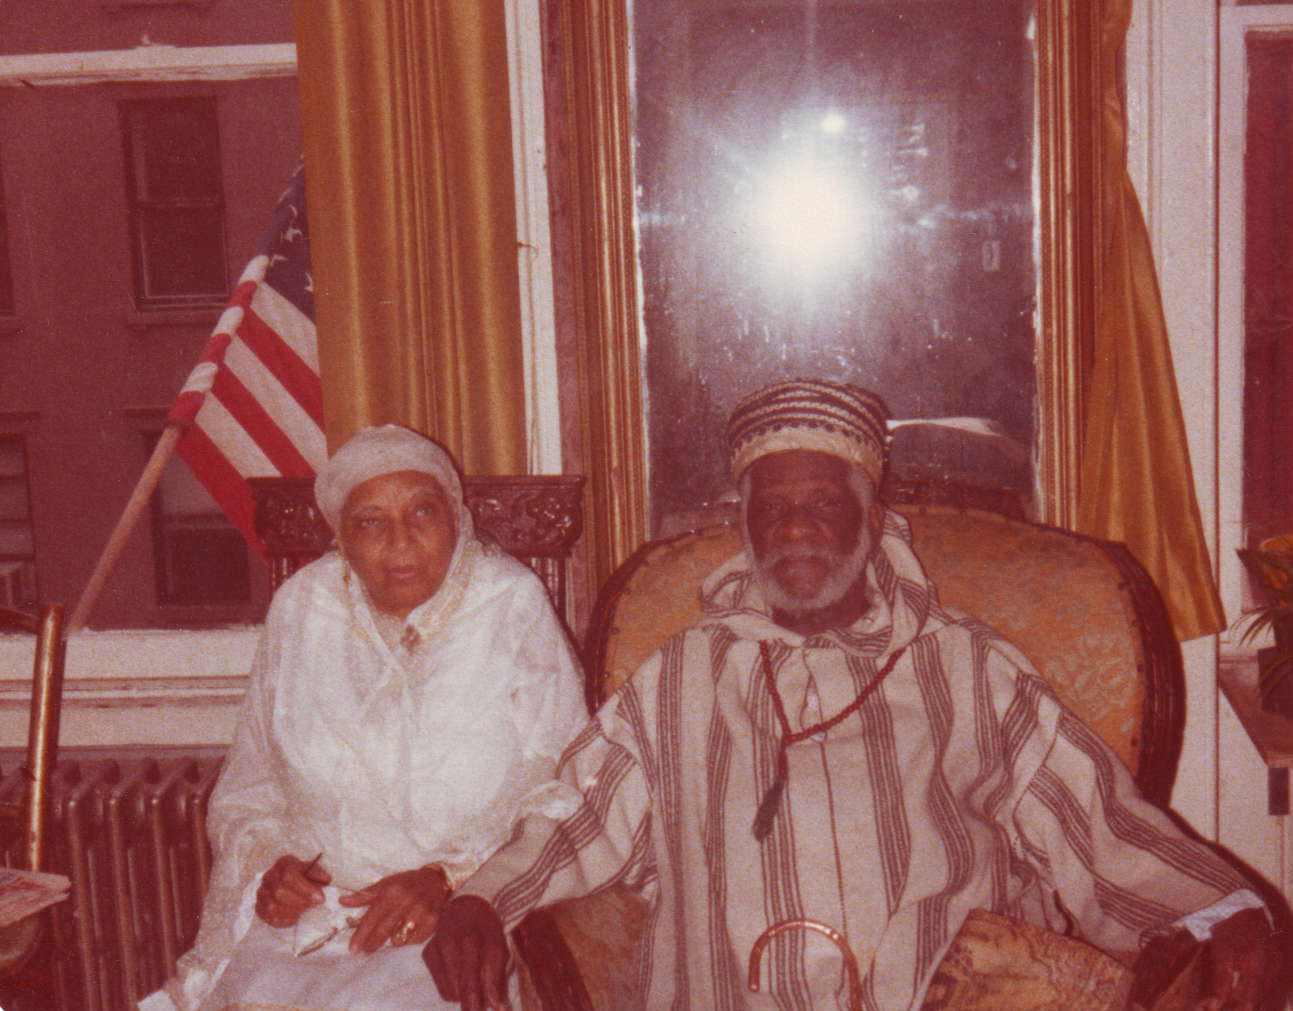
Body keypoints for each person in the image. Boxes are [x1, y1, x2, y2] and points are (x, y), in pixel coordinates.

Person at [424, 379, 1285, 1011]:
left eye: (823, 505)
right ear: (742, 528)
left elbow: (1098, 825)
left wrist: (1228, 908)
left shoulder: (969, 666)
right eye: (771, 509)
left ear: (872, 523)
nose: (795, 528)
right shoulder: (677, 675)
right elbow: (577, 816)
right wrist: (480, 900)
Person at [139, 424, 587, 1011]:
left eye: (423, 512)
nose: (401, 540)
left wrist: (450, 878)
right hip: (310, 930)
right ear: (341, 539)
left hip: (460, 923)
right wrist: (274, 868)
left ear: (456, 518)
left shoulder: (511, 604)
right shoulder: (303, 607)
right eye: (371, 522)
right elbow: (251, 787)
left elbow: (566, 790)